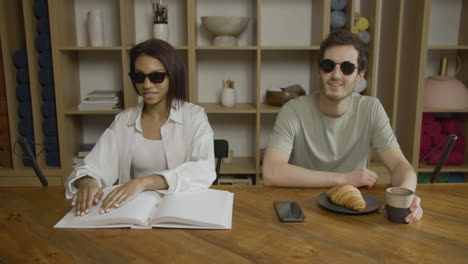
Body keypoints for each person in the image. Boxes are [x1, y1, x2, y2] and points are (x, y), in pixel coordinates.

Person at [262, 30, 423, 223]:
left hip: (353, 213)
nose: (336, 75)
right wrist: (343, 178)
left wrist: (407, 195)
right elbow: (271, 173)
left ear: (359, 75)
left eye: (346, 68)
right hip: (302, 210)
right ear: (320, 70)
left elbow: (400, 166)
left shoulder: (371, 109)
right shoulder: (293, 110)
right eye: (328, 65)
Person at [65, 39, 216, 216]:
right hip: (132, 211)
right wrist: (88, 181)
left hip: (180, 209)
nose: (146, 85)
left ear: (173, 76)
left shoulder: (194, 116)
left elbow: (203, 169)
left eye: (156, 77)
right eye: (139, 77)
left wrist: (144, 182)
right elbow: (94, 166)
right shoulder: (124, 120)